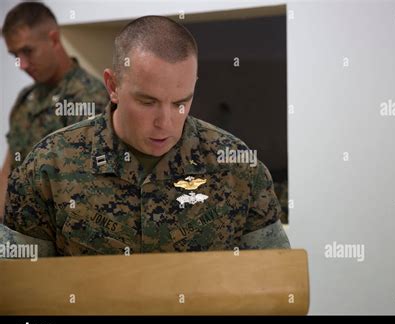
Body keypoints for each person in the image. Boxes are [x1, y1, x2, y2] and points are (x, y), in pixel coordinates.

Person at [4, 15, 290, 256]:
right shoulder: (48, 168)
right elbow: (19, 288)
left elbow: (274, 285)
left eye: (180, 102)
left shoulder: (237, 168)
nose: (165, 122)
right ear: (112, 85)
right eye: (147, 102)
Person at [0, 2, 109, 219]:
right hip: (21, 230)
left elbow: (88, 187)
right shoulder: (27, 99)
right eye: (15, 56)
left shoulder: (88, 97)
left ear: (53, 39)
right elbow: (9, 167)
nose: (21, 64)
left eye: (27, 51)